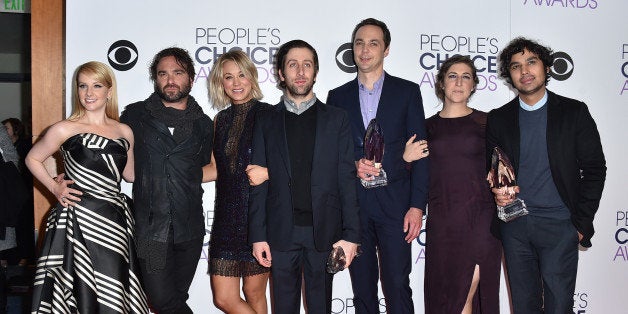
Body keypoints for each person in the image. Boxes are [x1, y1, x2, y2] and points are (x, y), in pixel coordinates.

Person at [487, 37, 606, 313]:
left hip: (560, 225)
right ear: (509, 75)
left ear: (547, 68)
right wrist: (496, 189)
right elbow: (492, 171)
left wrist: (579, 224)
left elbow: (595, 169)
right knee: (524, 307)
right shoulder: (499, 118)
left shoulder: (574, 112)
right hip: (515, 226)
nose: (524, 71)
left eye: (531, 62)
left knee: (559, 307)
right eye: (516, 66)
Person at [26, 61, 148, 313]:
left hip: (113, 221)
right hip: (76, 219)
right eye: (83, 86)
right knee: (76, 291)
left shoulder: (124, 131)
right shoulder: (64, 128)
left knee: (113, 291)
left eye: (96, 86)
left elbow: (130, 175)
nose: (89, 93)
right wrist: (54, 186)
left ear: (109, 91)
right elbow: (32, 158)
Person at [248, 39, 360, 313]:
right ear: (281, 73)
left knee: (320, 307)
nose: (300, 71)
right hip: (281, 232)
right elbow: (258, 183)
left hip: (324, 233)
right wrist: (258, 235)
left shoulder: (337, 119)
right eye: (293, 65)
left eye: (307, 65)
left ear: (315, 72)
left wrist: (352, 235)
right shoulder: (266, 121)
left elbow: (346, 178)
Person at [326, 18, 428, 313]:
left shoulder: (407, 92)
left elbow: (419, 152)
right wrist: (353, 164)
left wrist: (417, 206)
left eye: (373, 43)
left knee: (397, 283)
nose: (365, 49)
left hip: (396, 205)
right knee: (363, 288)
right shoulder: (338, 96)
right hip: (355, 207)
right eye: (359, 43)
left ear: (386, 49)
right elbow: (334, 156)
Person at [403, 55, 502, 313]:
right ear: (441, 84)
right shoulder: (425, 128)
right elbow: (410, 177)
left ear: (473, 85)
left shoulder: (489, 123)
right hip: (443, 224)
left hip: (481, 220)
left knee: (465, 294)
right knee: (446, 297)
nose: (459, 82)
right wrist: (405, 159)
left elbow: (505, 167)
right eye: (452, 76)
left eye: (466, 77)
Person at [120, 47, 213, 314]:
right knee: (162, 301)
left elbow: (205, 168)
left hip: (190, 229)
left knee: (177, 298)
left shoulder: (204, 124)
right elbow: (115, 157)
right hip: (151, 231)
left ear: (191, 79)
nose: (170, 80)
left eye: (178, 73)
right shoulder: (135, 115)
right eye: (163, 74)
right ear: (156, 79)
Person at [206, 50, 271, 313]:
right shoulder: (220, 120)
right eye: (228, 77)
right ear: (221, 83)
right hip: (225, 220)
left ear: (252, 77)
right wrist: (174, 173)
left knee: (254, 294)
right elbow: (215, 168)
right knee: (223, 298)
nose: (236, 83)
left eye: (241, 75)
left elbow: (290, 164)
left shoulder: (269, 115)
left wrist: (269, 172)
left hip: (257, 216)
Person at [3, 118, 35, 266]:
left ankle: (22, 258)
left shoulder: (23, 146)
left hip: (17, 193)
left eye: (8, 128)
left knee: (21, 227)